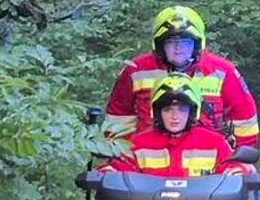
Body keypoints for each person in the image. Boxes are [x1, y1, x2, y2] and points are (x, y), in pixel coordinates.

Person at [103, 6, 260, 149]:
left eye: (185, 42)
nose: (178, 48)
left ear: (198, 44)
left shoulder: (223, 72)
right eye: (171, 42)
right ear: (159, 44)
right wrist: (121, 155)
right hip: (150, 162)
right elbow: (118, 118)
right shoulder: (136, 70)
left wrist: (239, 160)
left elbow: (245, 120)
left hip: (209, 164)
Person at [100, 75, 236, 177]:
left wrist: (240, 170)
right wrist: (106, 174)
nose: (174, 116)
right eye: (167, 109)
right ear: (157, 112)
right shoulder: (137, 144)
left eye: (181, 109)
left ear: (192, 112)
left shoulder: (214, 142)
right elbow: (115, 169)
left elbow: (234, 167)